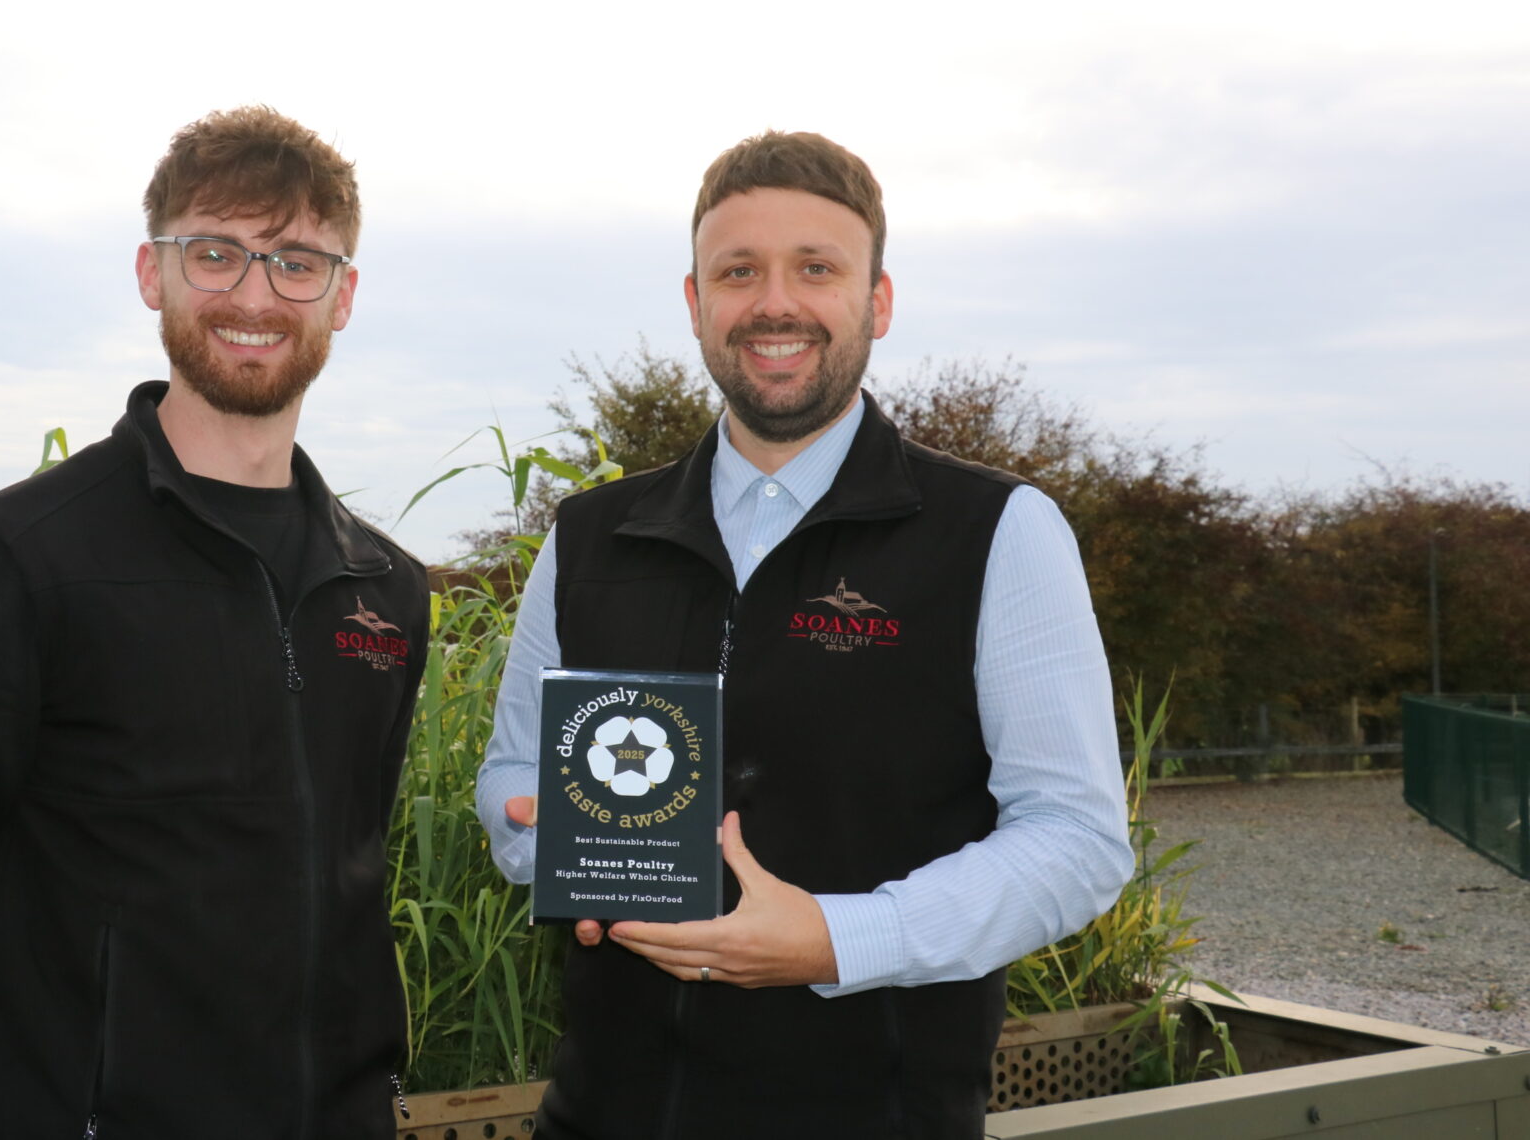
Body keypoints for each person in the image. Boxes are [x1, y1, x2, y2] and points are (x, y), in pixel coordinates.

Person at [475, 130, 1133, 1139]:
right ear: (696, 302)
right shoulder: (590, 535)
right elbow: (511, 773)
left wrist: (836, 937)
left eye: (815, 268)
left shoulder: (997, 532)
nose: (773, 303)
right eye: (738, 271)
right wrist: (551, 845)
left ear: (877, 299)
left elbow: (1075, 840)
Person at [0, 106, 431, 1139]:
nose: (253, 295)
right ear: (150, 273)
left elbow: (350, 872)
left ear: (342, 296)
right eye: (214, 253)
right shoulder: (15, 560)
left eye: (297, 262)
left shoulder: (384, 589)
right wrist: (49, 1091)